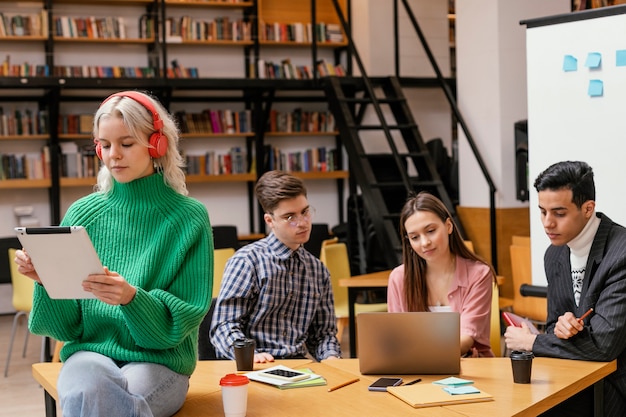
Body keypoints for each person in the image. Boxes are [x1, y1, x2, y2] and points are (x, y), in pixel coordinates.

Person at [14, 91, 213, 417]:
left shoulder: (189, 218)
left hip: (158, 361)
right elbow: (65, 330)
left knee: (101, 402)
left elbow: (180, 323)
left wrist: (132, 299)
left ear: (157, 144)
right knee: (91, 383)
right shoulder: (82, 213)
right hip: (88, 355)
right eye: (104, 145)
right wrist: (46, 279)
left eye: (127, 143)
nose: (113, 156)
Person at [504, 160, 626, 417]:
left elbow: (605, 346)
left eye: (559, 213)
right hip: (574, 378)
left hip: (615, 385)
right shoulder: (554, 255)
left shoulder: (621, 252)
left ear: (588, 208)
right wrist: (561, 327)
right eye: (542, 211)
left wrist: (532, 341)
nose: (547, 223)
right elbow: (553, 328)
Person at [210, 170, 341, 362]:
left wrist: (331, 358)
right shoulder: (247, 262)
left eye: (305, 212)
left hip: (298, 367)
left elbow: (323, 335)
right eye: (289, 217)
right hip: (254, 366)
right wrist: (251, 356)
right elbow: (224, 327)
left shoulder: (318, 270)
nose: (302, 223)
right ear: (270, 221)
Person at [387, 191, 495, 357]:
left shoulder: (479, 274)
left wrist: (420, 353)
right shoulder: (399, 278)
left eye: (430, 231)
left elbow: (466, 338)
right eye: (415, 237)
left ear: (449, 226)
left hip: (470, 367)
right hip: (416, 369)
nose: (425, 243)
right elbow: (396, 337)